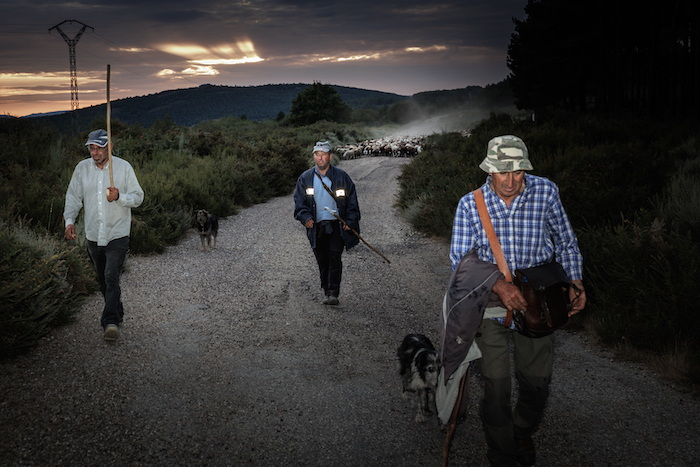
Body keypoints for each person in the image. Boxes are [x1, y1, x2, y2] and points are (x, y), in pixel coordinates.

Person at [449, 135, 586, 467]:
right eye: (502, 173)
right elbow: (460, 262)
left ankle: (521, 431)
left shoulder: (546, 193)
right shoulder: (470, 204)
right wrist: (498, 284)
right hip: (490, 306)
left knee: (537, 387)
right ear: (489, 170)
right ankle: (502, 453)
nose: (510, 182)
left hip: (539, 304)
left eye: (518, 172)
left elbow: (566, 242)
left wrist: (576, 281)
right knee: (496, 389)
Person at [64, 129, 144, 341]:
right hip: (93, 234)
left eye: (99, 148)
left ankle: (110, 322)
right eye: (92, 148)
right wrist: (69, 221)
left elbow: (138, 197)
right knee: (102, 280)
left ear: (109, 147)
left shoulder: (123, 167)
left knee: (111, 275)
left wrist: (120, 197)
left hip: (117, 232)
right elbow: (73, 197)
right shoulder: (82, 168)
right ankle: (117, 308)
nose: (95, 152)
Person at [294, 141, 360, 305]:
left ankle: (333, 293)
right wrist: (305, 218)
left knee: (335, 257)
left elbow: (352, 201)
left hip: (336, 225)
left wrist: (350, 220)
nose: (320, 158)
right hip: (317, 227)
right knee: (322, 259)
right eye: (317, 154)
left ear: (330, 156)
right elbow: (299, 202)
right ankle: (326, 289)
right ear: (314, 157)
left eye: (324, 155)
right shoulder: (305, 178)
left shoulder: (342, 176)